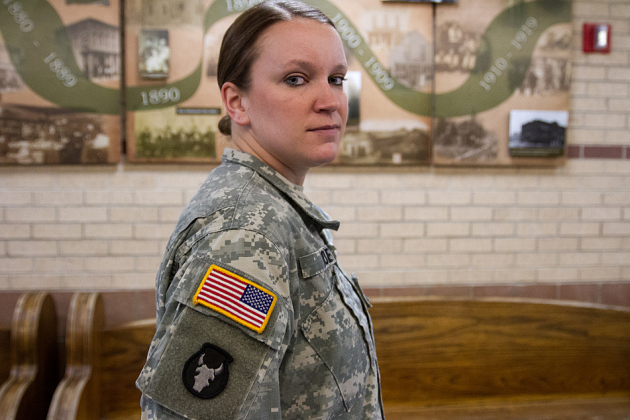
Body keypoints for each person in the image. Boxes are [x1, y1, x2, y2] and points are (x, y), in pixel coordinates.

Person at [136, 1, 384, 418]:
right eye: (295, 79)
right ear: (237, 103)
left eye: (337, 79)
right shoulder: (246, 235)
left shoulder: (274, 212)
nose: (331, 101)